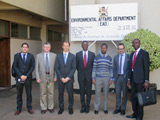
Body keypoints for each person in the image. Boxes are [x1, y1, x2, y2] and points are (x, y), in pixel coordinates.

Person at [126, 39, 149, 120]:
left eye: (137, 42)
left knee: (140, 98)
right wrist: (129, 79)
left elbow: (146, 68)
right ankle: (134, 113)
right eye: (134, 43)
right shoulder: (132, 54)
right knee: (133, 98)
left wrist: (146, 80)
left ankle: (139, 116)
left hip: (140, 80)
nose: (135, 44)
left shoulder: (144, 53)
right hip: (133, 80)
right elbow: (130, 68)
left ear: (139, 43)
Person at [13, 43, 35, 115]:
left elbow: (32, 67)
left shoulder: (31, 56)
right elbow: (15, 66)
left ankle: (29, 108)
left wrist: (26, 75)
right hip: (19, 78)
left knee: (29, 94)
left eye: (26, 47)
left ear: (28, 48)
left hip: (28, 78)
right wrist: (20, 75)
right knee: (19, 94)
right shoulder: (16, 56)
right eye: (23, 47)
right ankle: (19, 109)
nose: (24, 48)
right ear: (21, 48)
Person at [55, 41, 76, 115]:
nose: (66, 47)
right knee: (60, 94)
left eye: (67, 46)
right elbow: (56, 68)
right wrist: (61, 77)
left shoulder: (72, 56)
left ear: (69, 47)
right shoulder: (58, 56)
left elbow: (73, 68)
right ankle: (61, 108)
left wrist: (68, 77)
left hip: (69, 79)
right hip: (61, 79)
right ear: (62, 46)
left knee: (70, 94)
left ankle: (70, 108)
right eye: (64, 46)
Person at [35, 42, 57, 114]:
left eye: (48, 47)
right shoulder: (38, 56)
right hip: (42, 77)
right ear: (43, 48)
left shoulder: (54, 55)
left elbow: (56, 68)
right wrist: (37, 77)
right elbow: (36, 68)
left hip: (51, 76)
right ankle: (43, 107)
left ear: (50, 48)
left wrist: (55, 76)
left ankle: (50, 107)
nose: (46, 48)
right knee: (43, 93)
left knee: (51, 93)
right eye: (45, 47)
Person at [92, 43, 113, 115]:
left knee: (106, 94)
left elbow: (111, 69)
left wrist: (111, 78)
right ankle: (96, 108)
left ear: (106, 49)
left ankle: (105, 108)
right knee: (97, 94)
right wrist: (93, 78)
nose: (103, 49)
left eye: (104, 48)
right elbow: (94, 68)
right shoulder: (96, 57)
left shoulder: (109, 58)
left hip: (106, 78)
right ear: (101, 48)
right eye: (102, 48)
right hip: (98, 78)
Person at [76, 41, 95, 113]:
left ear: (88, 45)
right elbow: (77, 66)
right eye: (83, 45)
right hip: (81, 76)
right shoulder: (77, 54)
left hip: (89, 76)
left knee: (88, 92)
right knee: (81, 91)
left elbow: (93, 66)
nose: (85, 46)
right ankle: (83, 106)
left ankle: (87, 106)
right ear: (81, 46)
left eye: (86, 45)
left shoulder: (92, 54)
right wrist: (82, 72)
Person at [113, 43, 130, 115]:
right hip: (118, 77)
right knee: (117, 94)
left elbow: (129, 69)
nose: (121, 50)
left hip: (125, 78)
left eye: (122, 48)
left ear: (124, 49)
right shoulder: (116, 57)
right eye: (119, 49)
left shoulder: (128, 57)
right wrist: (114, 78)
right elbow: (114, 68)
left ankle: (123, 109)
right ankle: (118, 108)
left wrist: (129, 79)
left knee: (125, 94)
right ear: (118, 50)